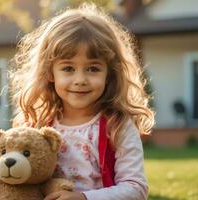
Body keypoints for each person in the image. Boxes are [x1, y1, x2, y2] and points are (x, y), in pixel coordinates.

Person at [9, 3, 155, 200]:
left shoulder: (118, 126)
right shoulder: (37, 126)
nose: (80, 80)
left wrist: (84, 198)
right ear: (49, 72)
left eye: (93, 68)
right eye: (68, 68)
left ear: (109, 74)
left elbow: (136, 190)